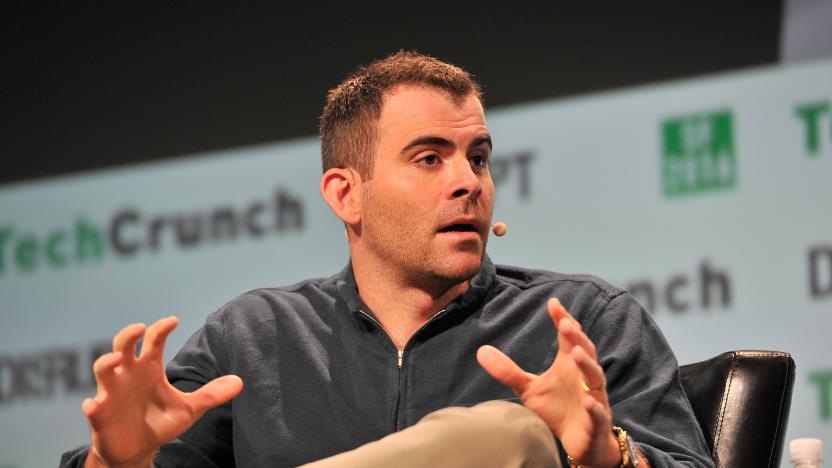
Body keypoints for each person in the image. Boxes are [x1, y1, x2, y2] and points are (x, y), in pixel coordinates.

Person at [60, 51, 714, 468]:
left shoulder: (582, 323)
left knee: (507, 439)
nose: (469, 182)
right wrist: (114, 463)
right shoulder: (253, 338)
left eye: (478, 158)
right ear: (346, 195)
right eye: (430, 159)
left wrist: (607, 457)